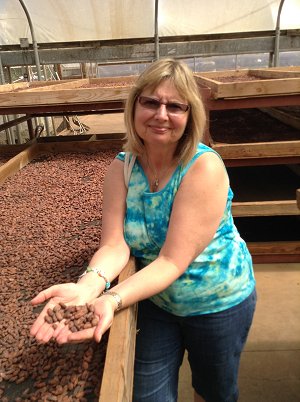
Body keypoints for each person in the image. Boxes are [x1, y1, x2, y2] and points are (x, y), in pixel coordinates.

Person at [30, 58, 256, 402]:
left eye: (175, 106)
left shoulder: (203, 167)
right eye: (150, 101)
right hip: (155, 301)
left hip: (217, 301)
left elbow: (170, 261)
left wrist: (110, 299)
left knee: (213, 392)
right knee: (148, 393)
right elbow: (115, 245)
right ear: (134, 106)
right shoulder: (123, 167)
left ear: (190, 115)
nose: (161, 114)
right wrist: (87, 287)